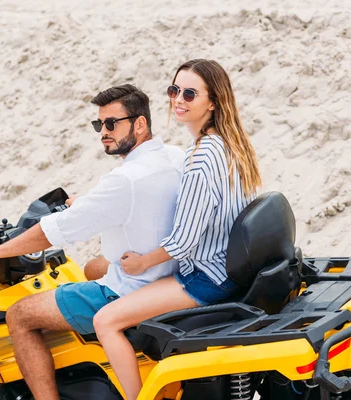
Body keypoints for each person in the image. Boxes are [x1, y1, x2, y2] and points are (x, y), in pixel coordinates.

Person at [0, 84, 184, 400]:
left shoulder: (123, 180)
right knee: (92, 267)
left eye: (112, 124)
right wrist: (86, 203)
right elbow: (136, 202)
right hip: (167, 273)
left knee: (19, 315)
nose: (103, 132)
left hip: (131, 289)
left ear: (140, 124)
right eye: (99, 124)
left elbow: (51, 233)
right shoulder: (174, 157)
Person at [93, 59, 263, 400]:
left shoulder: (200, 157)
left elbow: (182, 242)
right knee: (97, 269)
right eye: (174, 90)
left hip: (206, 278)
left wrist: (142, 263)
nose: (178, 99)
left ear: (212, 101)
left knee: (106, 321)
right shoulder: (232, 145)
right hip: (229, 266)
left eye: (190, 93)